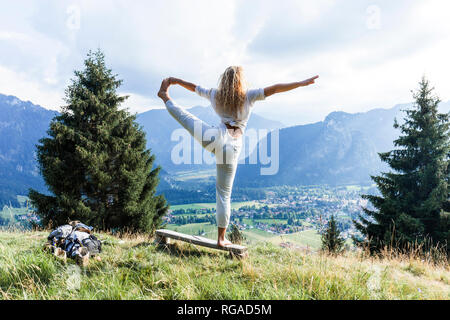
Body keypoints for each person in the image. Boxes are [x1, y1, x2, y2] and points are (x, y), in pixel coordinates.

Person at [157, 66, 318, 247]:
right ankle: (221, 238)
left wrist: (175, 81)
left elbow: (195, 88)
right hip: (232, 146)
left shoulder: (215, 94)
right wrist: (300, 84)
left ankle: (165, 97)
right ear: (241, 81)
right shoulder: (249, 95)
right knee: (224, 193)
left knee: (185, 118)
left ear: (223, 80)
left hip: (214, 136)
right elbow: (275, 88)